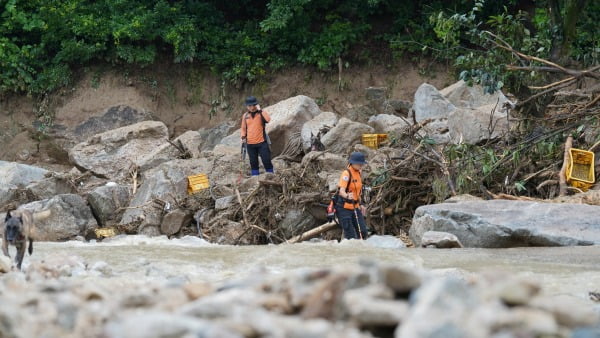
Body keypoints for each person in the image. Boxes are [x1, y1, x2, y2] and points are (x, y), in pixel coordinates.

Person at [335, 151, 368, 239]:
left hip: (355, 206)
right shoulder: (346, 173)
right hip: (344, 208)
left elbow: (358, 192)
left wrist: (361, 204)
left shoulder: (359, 172)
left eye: (362, 164)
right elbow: (341, 191)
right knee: (350, 236)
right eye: (359, 164)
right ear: (353, 163)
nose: (361, 165)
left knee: (363, 232)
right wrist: (347, 196)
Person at [240, 96, 274, 176]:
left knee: (266, 160)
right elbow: (243, 128)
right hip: (250, 144)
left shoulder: (261, 113)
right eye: (249, 106)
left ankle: (271, 176)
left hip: (262, 142)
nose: (251, 107)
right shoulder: (245, 116)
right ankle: (255, 179)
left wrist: (260, 110)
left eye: (252, 105)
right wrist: (243, 137)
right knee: (253, 162)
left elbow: (268, 119)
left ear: (255, 105)